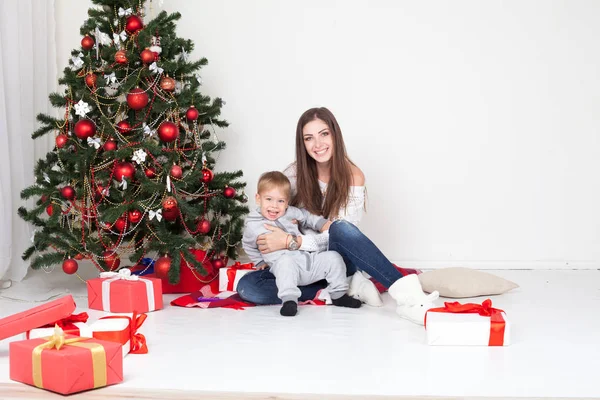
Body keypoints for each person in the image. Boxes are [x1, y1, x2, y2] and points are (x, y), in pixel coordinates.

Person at [237, 107, 439, 325]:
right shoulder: (294, 174)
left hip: (335, 259)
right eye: (309, 138)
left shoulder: (353, 176)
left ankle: (409, 298)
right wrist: (271, 242)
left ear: (335, 135)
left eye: (324, 134)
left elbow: (342, 236)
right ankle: (339, 289)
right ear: (302, 143)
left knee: (340, 228)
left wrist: (291, 241)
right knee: (248, 287)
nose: (318, 144)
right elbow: (274, 207)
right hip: (299, 265)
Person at [242, 171, 362, 317]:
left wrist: (322, 224)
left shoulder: (291, 213)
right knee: (284, 263)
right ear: (258, 198)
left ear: (287, 202)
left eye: (280, 201)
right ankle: (290, 300)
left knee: (333, 257)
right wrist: (260, 261)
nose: (274, 206)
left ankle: (338, 294)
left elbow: (307, 217)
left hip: (307, 261)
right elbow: (248, 244)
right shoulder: (253, 225)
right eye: (269, 199)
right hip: (284, 268)